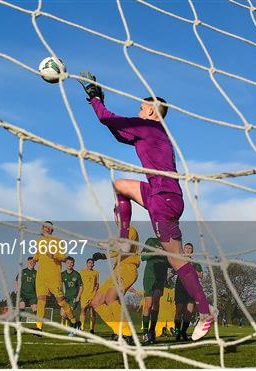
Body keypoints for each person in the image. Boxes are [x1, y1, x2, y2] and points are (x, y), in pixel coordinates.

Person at [80, 72, 215, 341]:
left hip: (163, 199)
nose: (138, 111)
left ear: (152, 110)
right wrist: (100, 100)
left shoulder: (150, 127)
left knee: (177, 260)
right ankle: (123, 239)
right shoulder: (152, 131)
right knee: (120, 185)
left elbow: (107, 118)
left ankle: (206, 311)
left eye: (141, 108)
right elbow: (120, 134)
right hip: (159, 193)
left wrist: (95, 98)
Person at [90, 212, 140, 345]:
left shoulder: (130, 230)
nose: (119, 217)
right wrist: (103, 253)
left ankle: (128, 334)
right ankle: (118, 331)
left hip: (128, 269)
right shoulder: (120, 234)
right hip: (116, 271)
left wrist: (104, 250)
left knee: (110, 298)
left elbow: (126, 248)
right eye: (117, 214)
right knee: (95, 302)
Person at [33, 221, 80, 334]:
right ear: (42, 228)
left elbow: (64, 258)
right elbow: (37, 256)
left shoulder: (58, 241)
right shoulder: (38, 242)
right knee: (41, 301)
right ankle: (39, 327)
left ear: (52, 229)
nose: (46, 229)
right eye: (44, 227)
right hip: (41, 277)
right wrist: (32, 262)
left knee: (61, 302)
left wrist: (53, 255)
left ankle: (74, 322)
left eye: (49, 227)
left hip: (54, 277)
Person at [140, 237, 169, 345]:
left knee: (156, 302)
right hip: (150, 276)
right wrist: (155, 252)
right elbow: (143, 257)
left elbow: (171, 262)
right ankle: (145, 333)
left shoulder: (169, 244)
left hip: (161, 277)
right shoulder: (151, 241)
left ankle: (152, 331)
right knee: (148, 304)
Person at [173, 243, 203, 341]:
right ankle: (177, 331)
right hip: (180, 287)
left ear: (192, 251)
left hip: (191, 288)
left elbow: (201, 275)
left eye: (190, 248)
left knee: (189, 311)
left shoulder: (195, 263)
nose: (188, 249)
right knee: (179, 310)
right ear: (183, 249)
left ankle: (183, 332)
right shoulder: (179, 261)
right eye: (186, 248)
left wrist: (191, 270)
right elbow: (173, 271)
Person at [61, 257, 83, 332]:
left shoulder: (76, 274)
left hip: (74, 298)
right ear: (65, 264)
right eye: (68, 263)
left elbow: (81, 287)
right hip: (66, 298)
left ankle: (72, 330)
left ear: (73, 264)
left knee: (68, 313)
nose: (69, 264)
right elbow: (59, 285)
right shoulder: (62, 274)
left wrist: (78, 297)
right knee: (63, 315)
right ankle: (77, 323)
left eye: (71, 262)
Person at [79, 258, 100, 334]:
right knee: (83, 310)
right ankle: (82, 327)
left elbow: (97, 284)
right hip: (84, 295)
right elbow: (79, 283)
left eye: (92, 263)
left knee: (93, 312)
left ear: (93, 264)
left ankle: (92, 329)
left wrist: (96, 293)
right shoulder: (81, 272)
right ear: (87, 264)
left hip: (93, 295)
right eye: (89, 263)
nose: (91, 264)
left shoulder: (96, 273)